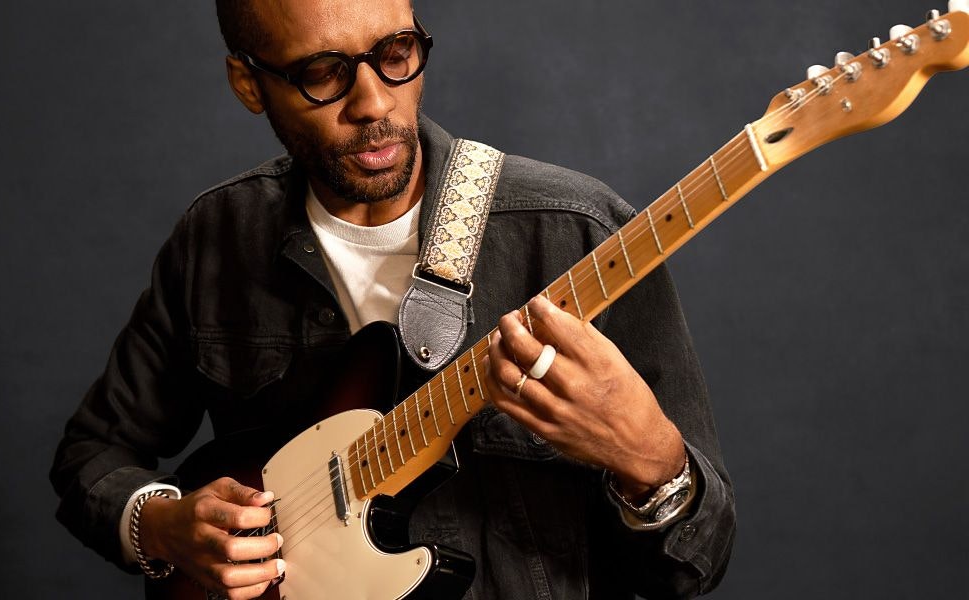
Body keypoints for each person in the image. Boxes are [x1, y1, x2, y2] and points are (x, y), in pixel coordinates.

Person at [51, 1, 736, 598]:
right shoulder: (217, 237)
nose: (375, 103)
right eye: (322, 73)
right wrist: (165, 524)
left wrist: (652, 463)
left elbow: (695, 565)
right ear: (249, 83)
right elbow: (92, 456)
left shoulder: (575, 233)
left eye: (396, 53)